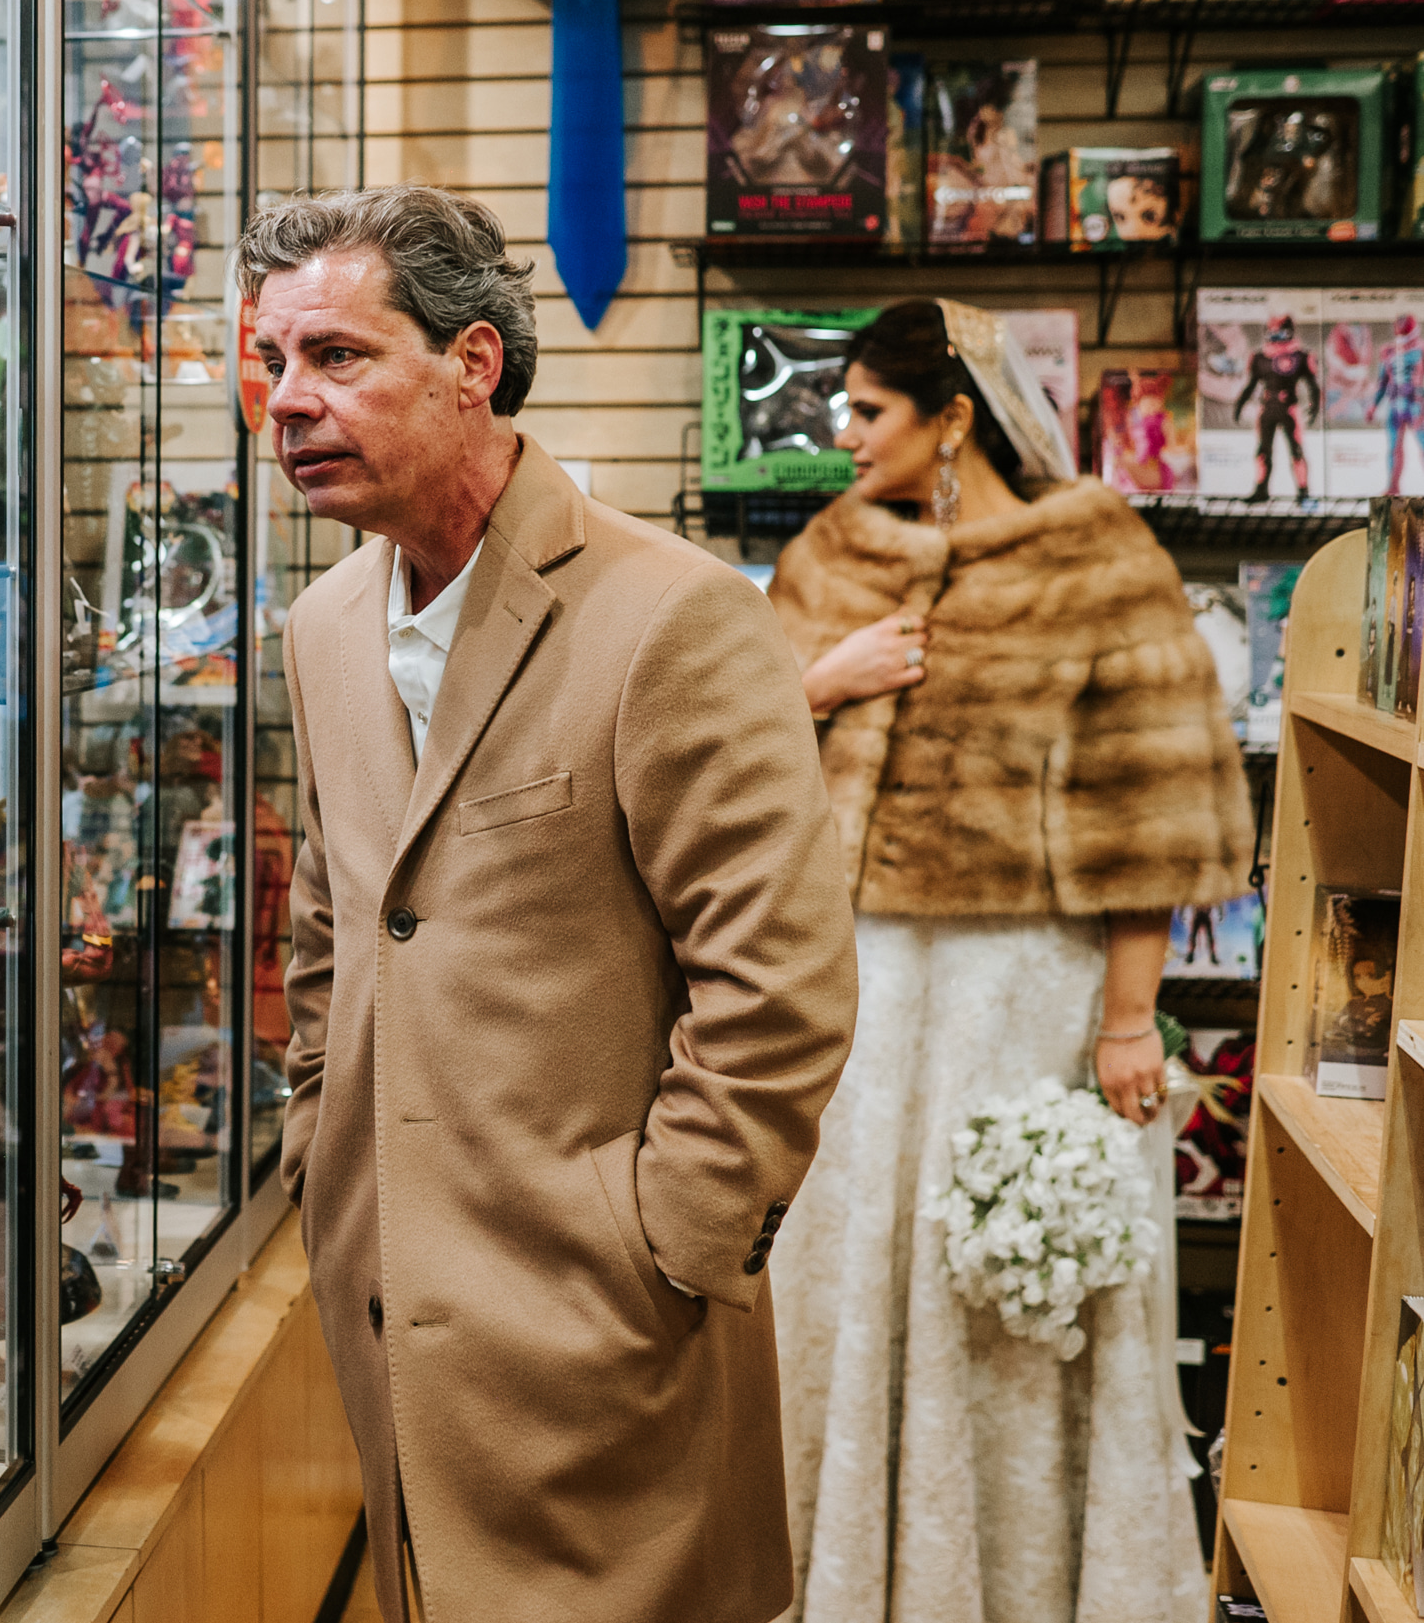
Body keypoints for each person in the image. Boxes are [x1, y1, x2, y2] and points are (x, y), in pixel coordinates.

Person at [249, 183, 859, 1622]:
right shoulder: (321, 625)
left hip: (608, 1342)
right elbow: (334, 926)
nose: (287, 399)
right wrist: (321, 1153)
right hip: (389, 1329)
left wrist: (669, 1247)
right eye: (272, 359)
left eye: (337, 355)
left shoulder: (673, 614)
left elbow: (778, 985)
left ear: (472, 364)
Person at [765, 298, 1253, 1623]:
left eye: (868, 409)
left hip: (1017, 992)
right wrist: (821, 680)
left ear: (951, 420)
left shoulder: (1098, 560)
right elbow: (724, 763)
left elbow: (1152, 816)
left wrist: (1127, 1019)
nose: (843, 432)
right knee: (852, 1267)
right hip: (855, 990)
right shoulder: (829, 555)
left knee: (998, 1277)